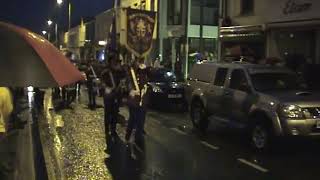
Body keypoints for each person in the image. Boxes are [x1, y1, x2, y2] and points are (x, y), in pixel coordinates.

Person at [125, 59, 149, 147]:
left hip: (143, 101)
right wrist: (132, 91)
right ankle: (128, 136)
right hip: (134, 101)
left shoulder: (144, 73)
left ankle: (138, 139)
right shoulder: (131, 73)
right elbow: (129, 85)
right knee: (133, 119)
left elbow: (146, 83)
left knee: (141, 120)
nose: (140, 63)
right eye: (138, 62)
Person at [101, 55, 124, 138]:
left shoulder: (119, 71)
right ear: (110, 62)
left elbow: (123, 79)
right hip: (108, 96)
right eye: (114, 61)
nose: (115, 63)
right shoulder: (106, 72)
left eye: (116, 61)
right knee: (107, 113)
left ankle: (113, 130)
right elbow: (102, 83)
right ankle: (107, 129)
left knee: (115, 113)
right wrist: (108, 88)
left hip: (116, 95)